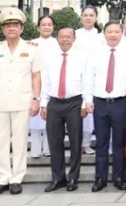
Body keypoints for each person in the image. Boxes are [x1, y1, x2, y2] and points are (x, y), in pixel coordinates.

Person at [0, 8, 41, 196]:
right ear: (3, 30)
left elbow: (36, 76)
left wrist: (36, 99)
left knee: (20, 141)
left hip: (22, 101)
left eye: (15, 25)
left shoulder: (31, 49)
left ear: (22, 28)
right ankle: (2, 178)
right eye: (8, 25)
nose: (11, 28)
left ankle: (16, 178)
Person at [84, 21, 126, 192]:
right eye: (109, 31)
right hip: (100, 102)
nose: (113, 35)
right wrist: (88, 99)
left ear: (121, 33)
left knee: (120, 142)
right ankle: (100, 178)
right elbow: (89, 77)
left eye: (116, 31)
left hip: (120, 102)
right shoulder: (95, 53)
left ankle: (119, 177)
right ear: (104, 33)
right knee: (101, 142)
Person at [40, 26, 87, 192]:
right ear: (57, 38)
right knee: (54, 142)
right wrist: (43, 104)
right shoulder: (49, 57)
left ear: (74, 38)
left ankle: (73, 177)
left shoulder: (81, 57)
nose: (65, 39)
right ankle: (58, 178)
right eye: (61, 36)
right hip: (54, 103)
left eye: (68, 36)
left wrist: (85, 103)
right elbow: (45, 81)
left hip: (74, 103)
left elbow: (86, 80)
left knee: (75, 142)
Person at [30, 16, 57, 159]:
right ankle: (35, 149)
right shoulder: (31, 44)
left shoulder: (57, 43)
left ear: (53, 27)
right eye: (43, 24)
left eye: (49, 24)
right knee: (34, 117)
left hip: (52, 84)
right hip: (34, 83)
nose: (46, 27)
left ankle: (48, 148)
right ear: (38, 27)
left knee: (49, 117)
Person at [76, 5, 101, 156]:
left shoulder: (101, 35)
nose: (88, 18)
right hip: (77, 76)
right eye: (85, 15)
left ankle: (86, 143)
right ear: (81, 17)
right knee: (78, 111)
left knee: (89, 112)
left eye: (91, 15)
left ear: (96, 17)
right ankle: (76, 143)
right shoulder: (76, 34)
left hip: (95, 77)